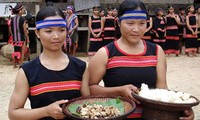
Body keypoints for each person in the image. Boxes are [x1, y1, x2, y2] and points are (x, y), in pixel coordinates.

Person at [88, 0, 194, 119]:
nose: (136, 29)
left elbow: (162, 89)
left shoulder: (157, 51)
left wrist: (181, 107)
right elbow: (89, 88)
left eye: (142, 23)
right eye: (130, 23)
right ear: (118, 22)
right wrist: (119, 91)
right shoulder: (105, 53)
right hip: (116, 115)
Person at [8, 6, 90, 120]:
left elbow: (88, 105)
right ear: (37, 33)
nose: (56, 36)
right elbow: (13, 114)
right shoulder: (27, 72)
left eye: (61, 30)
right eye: (49, 31)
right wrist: (46, 111)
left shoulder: (80, 67)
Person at [9, 4, 29, 68]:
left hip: (15, 38)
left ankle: (14, 65)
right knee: (22, 52)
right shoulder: (22, 19)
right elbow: (25, 30)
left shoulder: (12, 19)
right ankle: (20, 65)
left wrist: (13, 35)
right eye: (22, 10)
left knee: (16, 51)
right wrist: (27, 38)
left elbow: (10, 29)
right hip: (22, 38)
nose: (23, 11)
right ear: (20, 11)